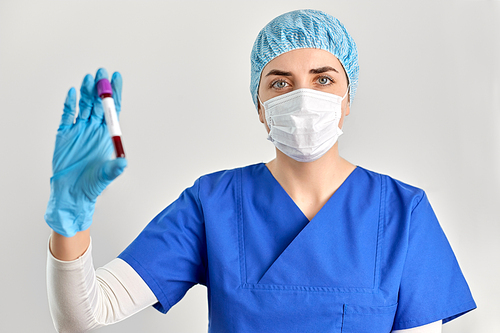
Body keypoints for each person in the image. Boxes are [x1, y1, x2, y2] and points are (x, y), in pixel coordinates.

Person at [46, 9, 476, 333]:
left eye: (323, 79)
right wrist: (71, 220)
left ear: (348, 98)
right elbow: (85, 314)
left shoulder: (403, 212)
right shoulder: (211, 204)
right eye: (281, 82)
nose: (303, 97)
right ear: (260, 108)